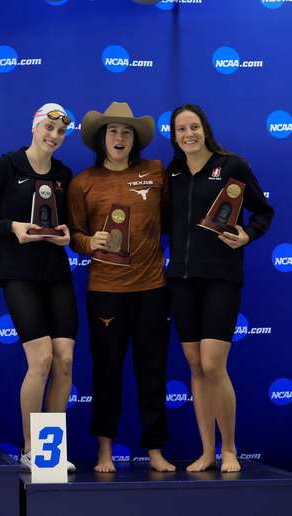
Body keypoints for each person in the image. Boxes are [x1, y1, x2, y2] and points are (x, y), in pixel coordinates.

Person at [0, 103, 77, 471]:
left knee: (65, 361)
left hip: (56, 274)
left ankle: (53, 452)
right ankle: (33, 450)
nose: (54, 136)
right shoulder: (6, 166)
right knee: (41, 359)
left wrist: (67, 236)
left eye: (60, 132)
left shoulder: (64, 174)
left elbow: (70, 226)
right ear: (34, 127)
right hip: (17, 273)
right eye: (48, 128)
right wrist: (11, 227)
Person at [68, 102, 175, 473]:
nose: (119, 137)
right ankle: (104, 451)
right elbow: (74, 236)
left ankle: (156, 450)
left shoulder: (156, 172)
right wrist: (88, 243)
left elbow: (176, 218)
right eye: (113, 131)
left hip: (152, 289)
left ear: (135, 139)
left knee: (153, 371)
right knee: (107, 371)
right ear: (101, 138)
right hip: (105, 290)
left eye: (126, 132)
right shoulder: (82, 182)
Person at [166, 104, 273, 473]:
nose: (188, 134)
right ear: (174, 136)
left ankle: (229, 449)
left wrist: (248, 234)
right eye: (181, 129)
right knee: (195, 366)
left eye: (193, 126)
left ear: (204, 129)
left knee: (213, 365)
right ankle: (206, 451)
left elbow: (263, 211)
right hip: (180, 280)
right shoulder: (173, 173)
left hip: (221, 278)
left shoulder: (232, 166)